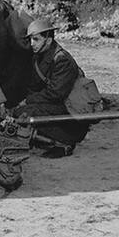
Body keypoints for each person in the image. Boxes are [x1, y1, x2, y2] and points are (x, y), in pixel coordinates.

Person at [13, 18, 88, 158]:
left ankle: (65, 143)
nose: (32, 44)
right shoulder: (40, 55)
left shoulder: (61, 59)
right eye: (31, 40)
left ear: (48, 40)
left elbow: (56, 93)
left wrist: (28, 101)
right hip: (59, 103)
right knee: (19, 111)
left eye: (36, 39)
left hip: (72, 110)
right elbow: (34, 85)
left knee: (27, 113)